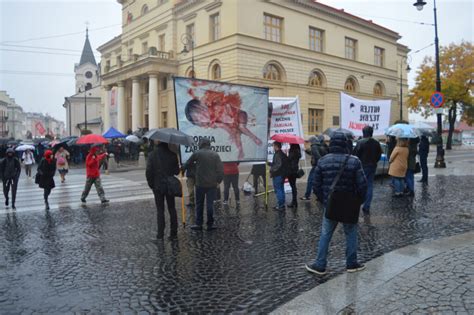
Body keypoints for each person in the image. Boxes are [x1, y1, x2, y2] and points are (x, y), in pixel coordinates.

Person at [305, 132, 368, 275]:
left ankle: (320, 264)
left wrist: (324, 200)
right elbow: (363, 185)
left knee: (325, 234)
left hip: (331, 204)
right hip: (349, 205)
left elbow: (316, 185)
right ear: (345, 144)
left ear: (331, 144)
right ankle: (351, 264)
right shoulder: (354, 161)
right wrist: (358, 202)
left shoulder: (323, 161)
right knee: (351, 233)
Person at [185, 95, 262, 160]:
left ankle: (254, 138)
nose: (202, 123)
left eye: (201, 118)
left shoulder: (214, 109)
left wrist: (231, 133)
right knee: (237, 135)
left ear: (203, 109)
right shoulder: (212, 122)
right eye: (200, 123)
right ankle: (241, 150)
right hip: (234, 124)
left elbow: (224, 125)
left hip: (240, 115)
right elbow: (224, 126)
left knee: (241, 127)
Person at [184, 139, 224, 231]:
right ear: (209, 145)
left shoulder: (197, 153)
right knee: (210, 205)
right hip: (212, 184)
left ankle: (199, 224)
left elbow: (187, 164)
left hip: (200, 184)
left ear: (200, 144)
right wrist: (218, 181)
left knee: (199, 204)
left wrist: (182, 169)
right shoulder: (215, 154)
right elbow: (221, 170)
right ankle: (210, 224)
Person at [146, 141, 180, 240]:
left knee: (160, 211)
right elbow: (176, 172)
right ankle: (174, 234)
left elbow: (149, 171)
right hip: (169, 185)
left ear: (158, 144)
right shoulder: (173, 155)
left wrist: (151, 184)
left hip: (158, 186)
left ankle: (160, 236)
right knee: (172, 209)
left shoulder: (152, 155)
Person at [353, 126, 382, 215]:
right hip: (372, 166)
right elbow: (379, 155)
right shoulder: (376, 143)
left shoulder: (360, 142)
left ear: (363, 132)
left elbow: (355, 154)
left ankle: (357, 204)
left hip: (362, 166)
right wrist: (374, 162)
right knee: (369, 185)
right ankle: (367, 206)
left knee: (359, 185)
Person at [301, 136, 327, 201]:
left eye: (310, 142)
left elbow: (317, 156)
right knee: (319, 181)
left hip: (316, 166)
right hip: (320, 166)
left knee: (310, 181)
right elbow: (313, 154)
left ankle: (307, 195)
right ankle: (320, 196)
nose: (309, 143)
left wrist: (319, 165)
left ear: (312, 141)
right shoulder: (319, 146)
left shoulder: (314, 147)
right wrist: (305, 150)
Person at [270, 141, 288, 211]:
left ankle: (280, 205)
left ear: (276, 146)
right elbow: (276, 163)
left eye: (273, 146)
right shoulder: (281, 153)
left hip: (278, 175)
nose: (273, 147)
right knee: (281, 189)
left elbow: (278, 165)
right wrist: (270, 164)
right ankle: (282, 204)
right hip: (282, 174)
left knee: (278, 190)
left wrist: (272, 170)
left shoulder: (278, 154)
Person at [286, 144, 301, 208]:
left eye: (290, 143)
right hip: (295, 170)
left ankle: (294, 202)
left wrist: (287, 155)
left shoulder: (292, 151)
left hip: (291, 171)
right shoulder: (298, 151)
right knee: (294, 186)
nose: (289, 144)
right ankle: (295, 202)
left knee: (293, 186)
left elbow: (289, 160)